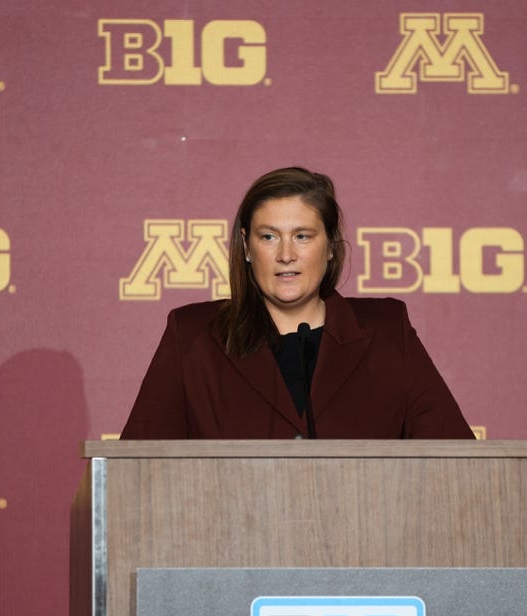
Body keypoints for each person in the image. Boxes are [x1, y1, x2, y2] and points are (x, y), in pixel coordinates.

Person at [120, 166, 473, 440]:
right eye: (269, 236)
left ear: (331, 246)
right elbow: (134, 473)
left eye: (302, 236)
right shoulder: (194, 337)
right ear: (246, 247)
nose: (286, 255)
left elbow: (458, 460)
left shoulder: (387, 331)